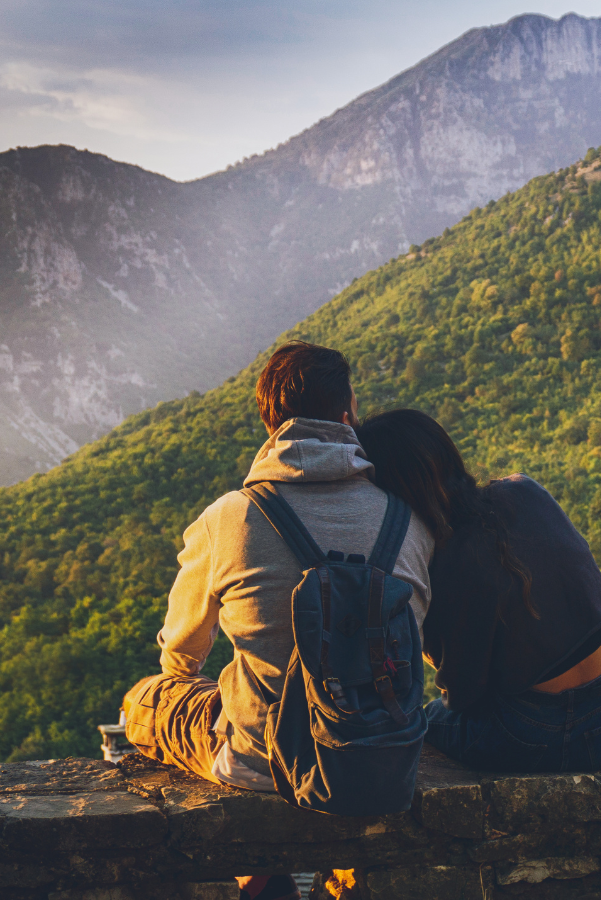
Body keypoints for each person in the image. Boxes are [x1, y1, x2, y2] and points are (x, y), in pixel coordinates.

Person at [121, 343, 434, 900]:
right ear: (348, 416)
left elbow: (182, 650)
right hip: (379, 751)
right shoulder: (406, 519)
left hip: (259, 759)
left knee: (144, 698)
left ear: (270, 423)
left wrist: (190, 672)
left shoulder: (229, 517)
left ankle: (260, 881)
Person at [355, 408, 601, 772]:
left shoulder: (447, 562)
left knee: (422, 720)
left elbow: (463, 696)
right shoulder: (524, 490)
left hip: (532, 734)